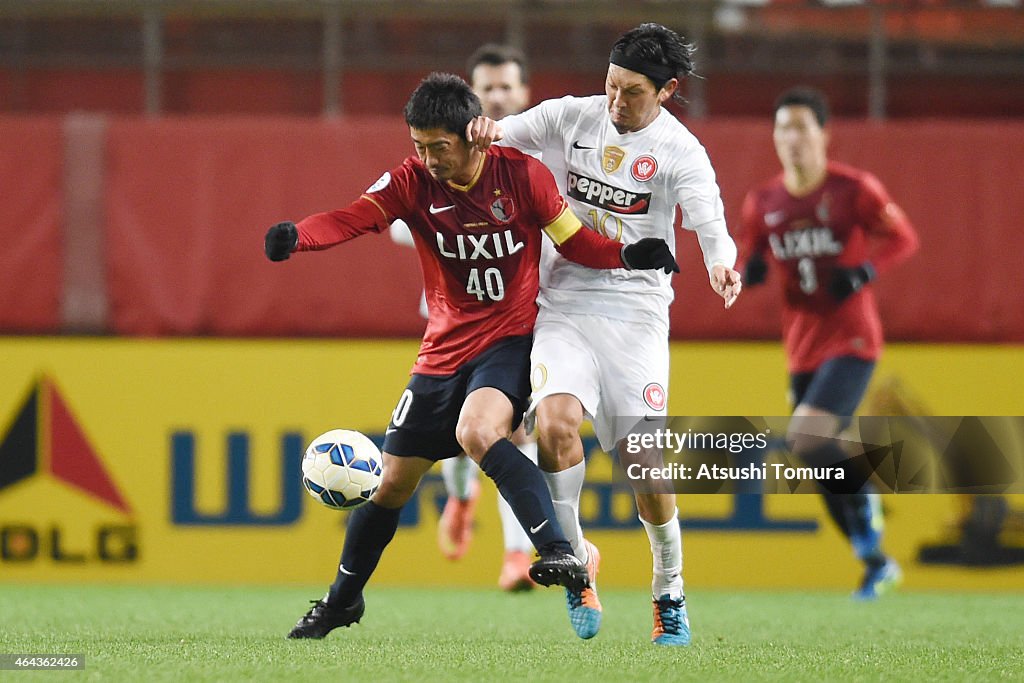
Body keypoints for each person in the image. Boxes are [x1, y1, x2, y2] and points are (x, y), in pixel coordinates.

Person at [265, 72, 679, 639]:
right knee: (390, 485)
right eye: (419, 146)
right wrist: (299, 236)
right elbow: (352, 218)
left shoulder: (522, 175)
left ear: (471, 137)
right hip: (440, 352)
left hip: (509, 341)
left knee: (479, 431)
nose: (429, 158)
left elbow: (575, 240)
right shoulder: (411, 182)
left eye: (440, 146)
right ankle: (342, 602)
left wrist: (630, 254)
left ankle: (561, 552)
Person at [468, 23, 742, 645]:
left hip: (636, 315)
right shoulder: (572, 116)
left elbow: (709, 219)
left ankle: (668, 588)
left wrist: (722, 262)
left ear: (667, 91)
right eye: (611, 86)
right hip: (563, 302)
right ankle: (575, 565)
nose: (616, 102)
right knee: (556, 426)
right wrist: (479, 129)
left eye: (633, 93)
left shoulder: (680, 151)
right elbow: (499, 134)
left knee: (646, 471)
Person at [737, 86, 919, 600]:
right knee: (813, 455)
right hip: (802, 343)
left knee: (806, 437)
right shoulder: (764, 202)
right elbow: (750, 253)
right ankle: (874, 558)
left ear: (822, 134)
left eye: (801, 127)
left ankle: (867, 512)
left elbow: (904, 238)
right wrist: (746, 269)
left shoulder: (853, 189)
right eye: (783, 129)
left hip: (853, 338)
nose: (791, 139)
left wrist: (865, 270)